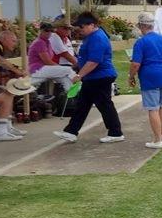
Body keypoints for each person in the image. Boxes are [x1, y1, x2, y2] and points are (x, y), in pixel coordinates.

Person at [53, 11, 124, 143]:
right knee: (83, 105)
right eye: (79, 27)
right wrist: (77, 68)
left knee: (104, 105)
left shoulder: (98, 38)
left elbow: (94, 61)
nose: (80, 30)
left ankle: (115, 132)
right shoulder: (91, 37)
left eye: (82, 27)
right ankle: (71, 131)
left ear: (91, 25)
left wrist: (79, 75)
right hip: (92, 77)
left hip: (100, 76)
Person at [128, 12, 162, 149]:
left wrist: (131, 76)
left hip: (150, 76)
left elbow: (135, 64)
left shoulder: (141, 42)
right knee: (161, 105)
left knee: (152, 108)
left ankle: (157, 140)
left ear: (141, 26)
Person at [28, 21, 77, 92]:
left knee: (66, 79)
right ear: (41, 31)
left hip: (47, 69)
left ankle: (71, 98)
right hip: (38, 69)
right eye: (46, 31)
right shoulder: (39, 42)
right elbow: (47, 61)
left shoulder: (47, 42)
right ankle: (79, 83)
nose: (49, 33)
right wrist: (60, 67)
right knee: (68, 70)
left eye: (51, 31)